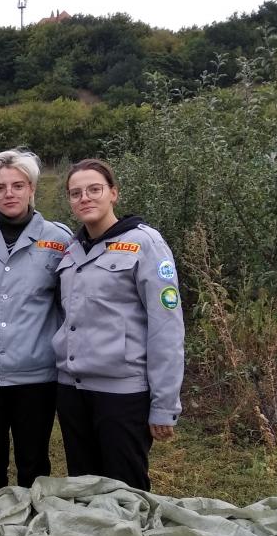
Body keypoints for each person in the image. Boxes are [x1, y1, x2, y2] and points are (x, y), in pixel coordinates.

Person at [53, 157, 184, 490]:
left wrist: (164, 405)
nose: (85, 198)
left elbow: (166, 328)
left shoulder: (146, 244)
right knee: (82, 489)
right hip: (73, 390)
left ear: (113, 193)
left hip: (122, 394)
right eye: (76, 193)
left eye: (94, 189)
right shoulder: (71, 251)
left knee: (125, 491)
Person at [0, 149, 71, 488]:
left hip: (36, 375)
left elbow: (70, 306)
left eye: (18, 185)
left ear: (32, 189)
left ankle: (31, 532)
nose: (9, 193)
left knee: (33, 464)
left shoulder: (59, 239)